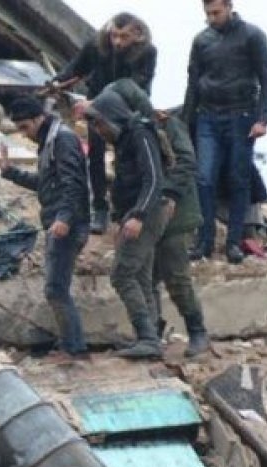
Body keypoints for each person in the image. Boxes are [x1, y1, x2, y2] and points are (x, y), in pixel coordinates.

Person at [109, 78, 211, 358]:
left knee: (176, 276)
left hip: (175, 213)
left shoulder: (166, 124)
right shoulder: (133, 131)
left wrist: (168, 195)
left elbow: (187, 161)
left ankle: (197, 331)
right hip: (149, 213)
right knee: (146, 277)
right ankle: (151, 335)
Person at [0, 95, 91, 361]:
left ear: (39, 118)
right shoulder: (49, 141)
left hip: (67, 224)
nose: (24, 135)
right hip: (60, 222)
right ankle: (72, 346)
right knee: (56, 287)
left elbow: (73, 183)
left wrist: (64, 217)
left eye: (25, 127)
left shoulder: (61, 139)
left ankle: (75, 349)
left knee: (55, 288)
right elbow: (47, 183)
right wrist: (11, 173)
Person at [183, 0, 267, 264]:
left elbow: (266, 78)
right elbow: (192, 83)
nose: (212, 18)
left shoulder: (253, 36)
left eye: (217, 12)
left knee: (238, 178)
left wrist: (263, 119)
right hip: (208, 116)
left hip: (242, 115)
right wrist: (186, 122)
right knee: (204, 178)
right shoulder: (201, 41)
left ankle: (233, 243)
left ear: (229, 7)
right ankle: (205, 241)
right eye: (208, 13)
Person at [50, 12, 156, 234]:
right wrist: (58, 80)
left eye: (123, 37)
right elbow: (76, 67)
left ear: (136, 35)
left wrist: (105, 100)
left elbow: (138, 85)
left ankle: (128, 206)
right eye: (114, 35)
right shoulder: (97, 45)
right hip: (96, 109)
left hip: (127, 111)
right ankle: (99, 207)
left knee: (128, 159)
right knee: (95, 156)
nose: (117, 42)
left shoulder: (147, 52)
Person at [84, 88, 168, 360]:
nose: (97, 130)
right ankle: (150, 337)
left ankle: (147, 338)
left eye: (98, 122)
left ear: (111, 117)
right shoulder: (125, 139)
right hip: (136, 214)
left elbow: (153, 178)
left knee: (122, 274)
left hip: (147, 214)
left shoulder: (140, 134)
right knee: (141, 276)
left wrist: (138, 215)